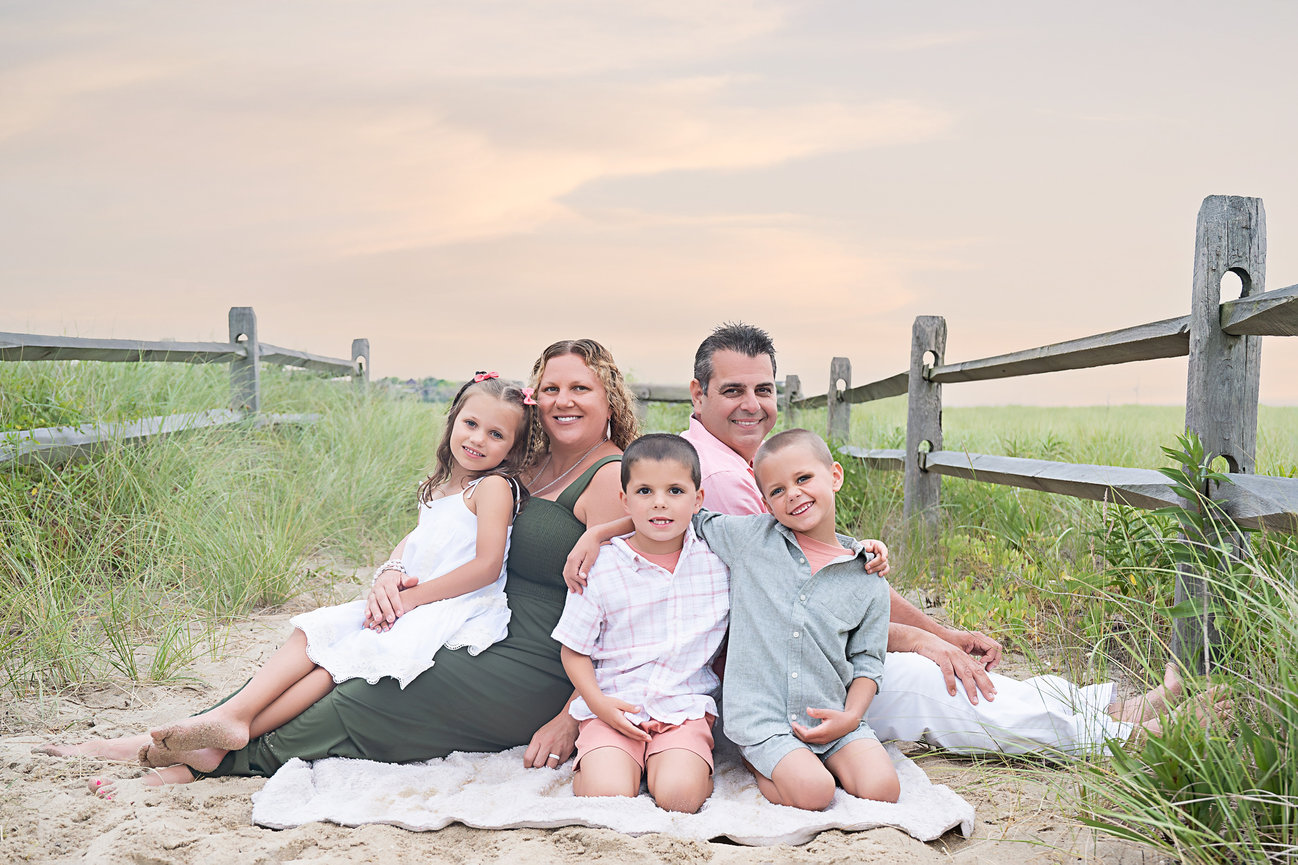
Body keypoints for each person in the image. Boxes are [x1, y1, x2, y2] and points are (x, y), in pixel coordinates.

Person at [40, 339, 636, 793]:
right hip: (473, 627)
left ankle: (212, 766)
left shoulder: (610, 476)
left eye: (580, 388)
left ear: (608, 395)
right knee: (338, 651)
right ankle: (172, 738)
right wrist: (386, 575)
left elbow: (625, 614)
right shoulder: (523, 465)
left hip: (539, 665)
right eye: (552, 388)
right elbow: (437, 531)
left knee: (368, 689)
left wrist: (572, 714)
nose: (564, 400)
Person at [677, 322, 1214, 757]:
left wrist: (941, 633)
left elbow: (835, 579)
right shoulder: (723, 480)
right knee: (929, 681)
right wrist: (927, 638)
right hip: (770, 683)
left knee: (937, 663)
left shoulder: (742, 464)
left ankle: (1104, 708)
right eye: (733, 391)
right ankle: (1116, 737)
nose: (752, 404)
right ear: (698, 394)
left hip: (792, 660)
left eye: (763, 389)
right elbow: (811, 603)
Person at [130, 373, 534, 771]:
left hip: (453, 605)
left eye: (496, 434)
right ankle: (235, 715)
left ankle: (244, 731)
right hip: (413, 597)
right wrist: (391, 572)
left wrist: (409, 599)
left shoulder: (493, 487)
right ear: (453, 422)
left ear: (513, 448)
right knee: (313, 631)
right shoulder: (443, 485)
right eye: (471, 423)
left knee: (337, 662)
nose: (478, 439)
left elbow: (486, 566)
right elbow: (417, 538)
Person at [569, 430, 900, 809]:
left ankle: (808, 763)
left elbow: (867, 661)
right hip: (765, 719)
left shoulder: (867, 573)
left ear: (835, 476)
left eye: (804, 479)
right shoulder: (748, 540)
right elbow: (672, 517)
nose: (792, 493)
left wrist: (851, 716)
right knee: (816, 792)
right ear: (764, 501)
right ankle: (763, 763)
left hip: (833, 712)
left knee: (883, 789)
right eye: (777, 490)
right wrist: (599, 533)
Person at [553, 434, 727, 814]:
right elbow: (573, 649)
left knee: (680, 798)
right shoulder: (600, 566)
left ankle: (676, 767)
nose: (660, 502)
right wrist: (598, 705)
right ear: (624, 499)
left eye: (675, 490)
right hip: (614, 704)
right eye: (645, 491)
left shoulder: (717, 564)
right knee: (607, 796)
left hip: (682, 708)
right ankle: (607, 764)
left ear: (698, 500)